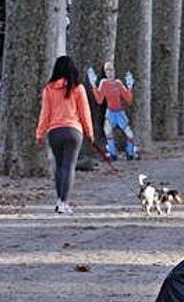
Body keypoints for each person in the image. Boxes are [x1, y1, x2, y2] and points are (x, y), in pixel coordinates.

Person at [36, 56, 94, 215]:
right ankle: (64, 202)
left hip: (54, 131)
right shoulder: (78, 88)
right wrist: (90, 132)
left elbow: (45, 113)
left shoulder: (48, 89)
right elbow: (85, 113)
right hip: (74, 131)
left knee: (59, 166)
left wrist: (40, 133)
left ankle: (59, 200)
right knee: (69, 166)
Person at [89, 62, 139, 161]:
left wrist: (129, 87)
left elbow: (128, 100)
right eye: (107, 70)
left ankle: (130, 153)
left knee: (129, 134)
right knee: (108, 132)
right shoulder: (103, 83)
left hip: (119, 113)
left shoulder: (118, 83)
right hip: (110, 112)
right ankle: (112, 153)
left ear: (114, 71)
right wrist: (93, 85)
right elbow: (99, 100)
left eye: (111, 70)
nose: (109, 72)